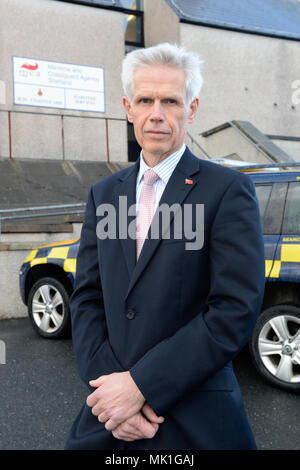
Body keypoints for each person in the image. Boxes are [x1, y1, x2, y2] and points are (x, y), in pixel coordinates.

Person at [65, 43, 265, 450]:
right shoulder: (104, 195)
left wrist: (141, 387)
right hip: (110, 419)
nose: (157, 113)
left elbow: (233, 309)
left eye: (170, 101)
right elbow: (87, 298)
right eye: (145, 100)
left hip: (195, 418)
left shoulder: (227, 190)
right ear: (128, 107)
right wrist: (115, 398)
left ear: (190, 110)